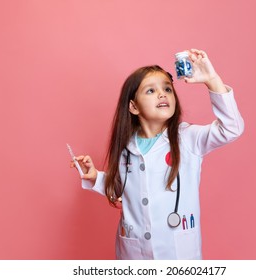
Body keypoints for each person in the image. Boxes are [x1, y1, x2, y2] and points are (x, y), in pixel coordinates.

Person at [70, 49, 244, 259]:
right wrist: (96, 177)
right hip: (134, 254)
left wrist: (211, 80)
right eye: (150, 91)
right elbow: (125, 189)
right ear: (133, 107)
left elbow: (231, 128)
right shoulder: (126, 147)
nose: (162, 94)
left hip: (178, 254)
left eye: (168, 89)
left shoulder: (188, 138)